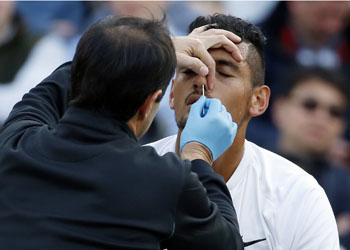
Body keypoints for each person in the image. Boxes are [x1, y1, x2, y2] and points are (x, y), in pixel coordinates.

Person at [0, 16, 244, 249]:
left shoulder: (16, 145)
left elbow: (50, 90)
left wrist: (148, 51)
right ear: (149, 104)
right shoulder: (165, 181)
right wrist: (198, 153)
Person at [147, 14, 340, 249]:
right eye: (189, 70)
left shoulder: (298, 197)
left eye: (224, 72)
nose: (203, 80)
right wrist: (158, 50)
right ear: (172, 94)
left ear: (258, 100)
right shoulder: (129, 172)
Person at [271, 66, 350, 248]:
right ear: (279, 109)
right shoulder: (241, 168)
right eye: (310, 105)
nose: (321, 117)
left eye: (334, 112)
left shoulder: (347, 190)